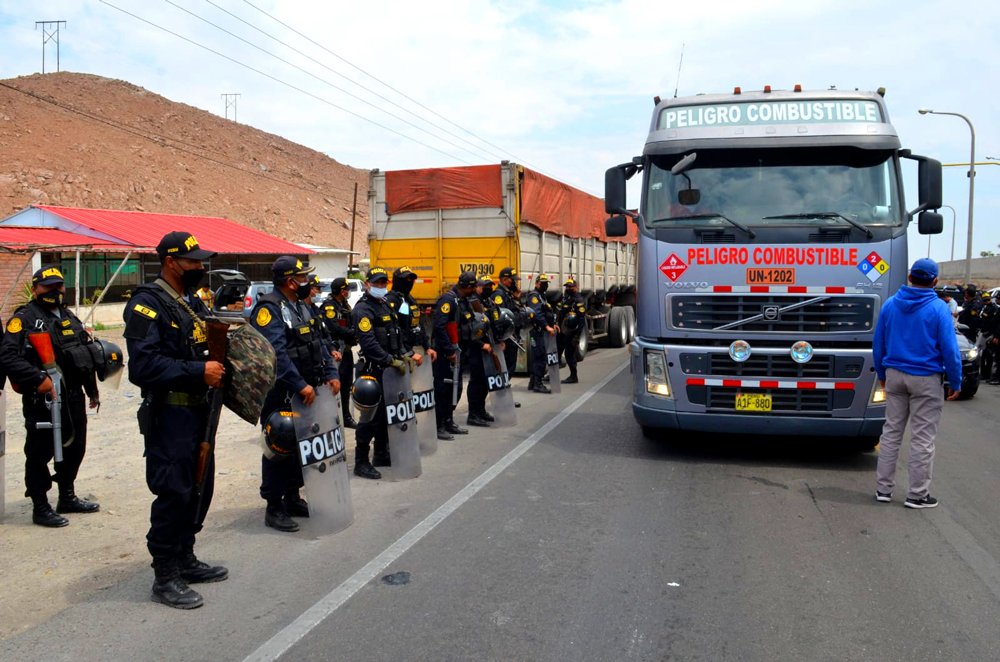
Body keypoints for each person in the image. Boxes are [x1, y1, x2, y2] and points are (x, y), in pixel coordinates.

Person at [123, 231, 228, 609]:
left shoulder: (188, 302)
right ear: (171, 262)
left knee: (199, 486)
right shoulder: (147, 304)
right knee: (174, 491)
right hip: (170, 415)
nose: (200, 267)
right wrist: (197, 371)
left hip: (199, 411)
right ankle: (165, 575)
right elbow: (143, 365)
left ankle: (186, 556)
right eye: (193, 262)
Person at [0, 266, 101, 528]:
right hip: (42, 398)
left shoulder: (67, 315)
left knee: (75, 447)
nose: (55, 291)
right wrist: (38, 379)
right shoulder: (23, 318)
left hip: (73, 396)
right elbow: (8, 356)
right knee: (39, 453)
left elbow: (83, 352)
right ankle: (40, 505)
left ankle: (66, 496)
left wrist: (92, 389)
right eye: (48, 287)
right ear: (35, 289)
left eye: (59, 286)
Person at [251, 256, 340, 532]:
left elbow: (318, 342)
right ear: (291, 281)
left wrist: (331, 373)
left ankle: (292, 497)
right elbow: (275, 353)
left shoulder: (301, 306)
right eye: (303, 278)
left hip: (307, 391)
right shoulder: (269, 308)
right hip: (282, 392)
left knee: (301, 448)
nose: (307, 282)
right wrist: (298, 383)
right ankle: (274, 506)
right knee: (279, 445)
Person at [873, 258, 962, 510]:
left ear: (910, 277)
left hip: (894, 374)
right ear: (935, 281)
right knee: (922, 438)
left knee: (891, 433)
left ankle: (883, 489)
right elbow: (950, 349)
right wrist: (955, 381)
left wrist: (882, 372)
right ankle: (917, 495)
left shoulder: (891, 304)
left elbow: (878, 343)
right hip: (926, 379)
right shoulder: (938, 308)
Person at [351, 267, 410, 479]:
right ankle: (361, 461)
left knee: (387, 414)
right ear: (367, 284)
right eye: (376, 283)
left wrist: (404, 354)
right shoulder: (363, 309)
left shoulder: (384, 304)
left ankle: (381, 453)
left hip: (389, 371)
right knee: (369, 419)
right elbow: (368, 343)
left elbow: (396, 334)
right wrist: (389, 360)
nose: (380, 286)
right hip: (372, 370)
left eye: (383, 283)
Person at [432, 272, 477, 439]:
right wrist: (449, 350)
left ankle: (448, 420)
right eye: (473, 287)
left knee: (455, 389)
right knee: (443, 390)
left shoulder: (463, 300)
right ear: (467, 286)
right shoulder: (448, 300)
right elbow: (439, 327)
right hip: (446, 354)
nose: (474, 290)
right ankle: (439, 425)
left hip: (459, 351)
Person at [320, 278, 358, 428]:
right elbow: (334, 328)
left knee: (347, 384)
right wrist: (352, 333)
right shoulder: (329, 307)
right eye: (346, 290)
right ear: (342, 291)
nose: (348, 292)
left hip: (346, 350)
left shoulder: (344, 305)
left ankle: (345, 416)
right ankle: (332, 416)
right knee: (336, 383)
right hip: (335, 351)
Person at [386, 266, 436, 364]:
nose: (409, 282)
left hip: (412, 352)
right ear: (398, 281)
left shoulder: (409, 299)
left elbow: (418, 324)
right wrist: (409, 353)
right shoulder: (392, 301)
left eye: (412, 279)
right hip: (400, 354)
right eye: (406, 279)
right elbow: (395, 331)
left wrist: (427, 347)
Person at [525, 274, 557, 393]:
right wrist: (546, 326)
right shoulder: (534, 296)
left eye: (546, 283)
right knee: (540, 357)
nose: (545, 285)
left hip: (541, 330)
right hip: (537, 330)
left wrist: (553, 323)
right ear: (537, 283)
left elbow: (547, 311)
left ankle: (533, 382)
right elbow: (537, 314)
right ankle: (538, 384)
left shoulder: (542, 296)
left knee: (538, 356)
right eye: (543, 283)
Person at [556, 277, 588, 384]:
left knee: (569, 354)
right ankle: (552, 374)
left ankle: (573, 376)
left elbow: (581, 320)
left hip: (571, 332)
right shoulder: (565, 298)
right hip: (562, 330)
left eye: (570, 286)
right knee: (557, 353)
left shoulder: (578, 300)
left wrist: (577, 336)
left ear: (576, 287)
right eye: (567, 286)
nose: (568, 288)